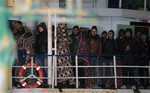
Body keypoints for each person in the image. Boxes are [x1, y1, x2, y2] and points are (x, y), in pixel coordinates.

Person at [56, 23, 75, 88]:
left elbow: (69, 41)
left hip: (66, 55)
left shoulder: (66, 37)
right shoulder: (58, 36)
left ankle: (68, 82)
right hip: (61, 55)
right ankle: (63, 82)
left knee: (67, 68)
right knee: (61, 69)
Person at [35, 22, 48, 87]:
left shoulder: (45, 34)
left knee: (43, 69)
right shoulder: (39, 35)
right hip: (39, 52)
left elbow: (40, 44)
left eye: (41, 27)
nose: (40, 28)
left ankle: (44, 83)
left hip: (43, 53)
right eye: (39, 27)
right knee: (41, 69)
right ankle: (43, 83)